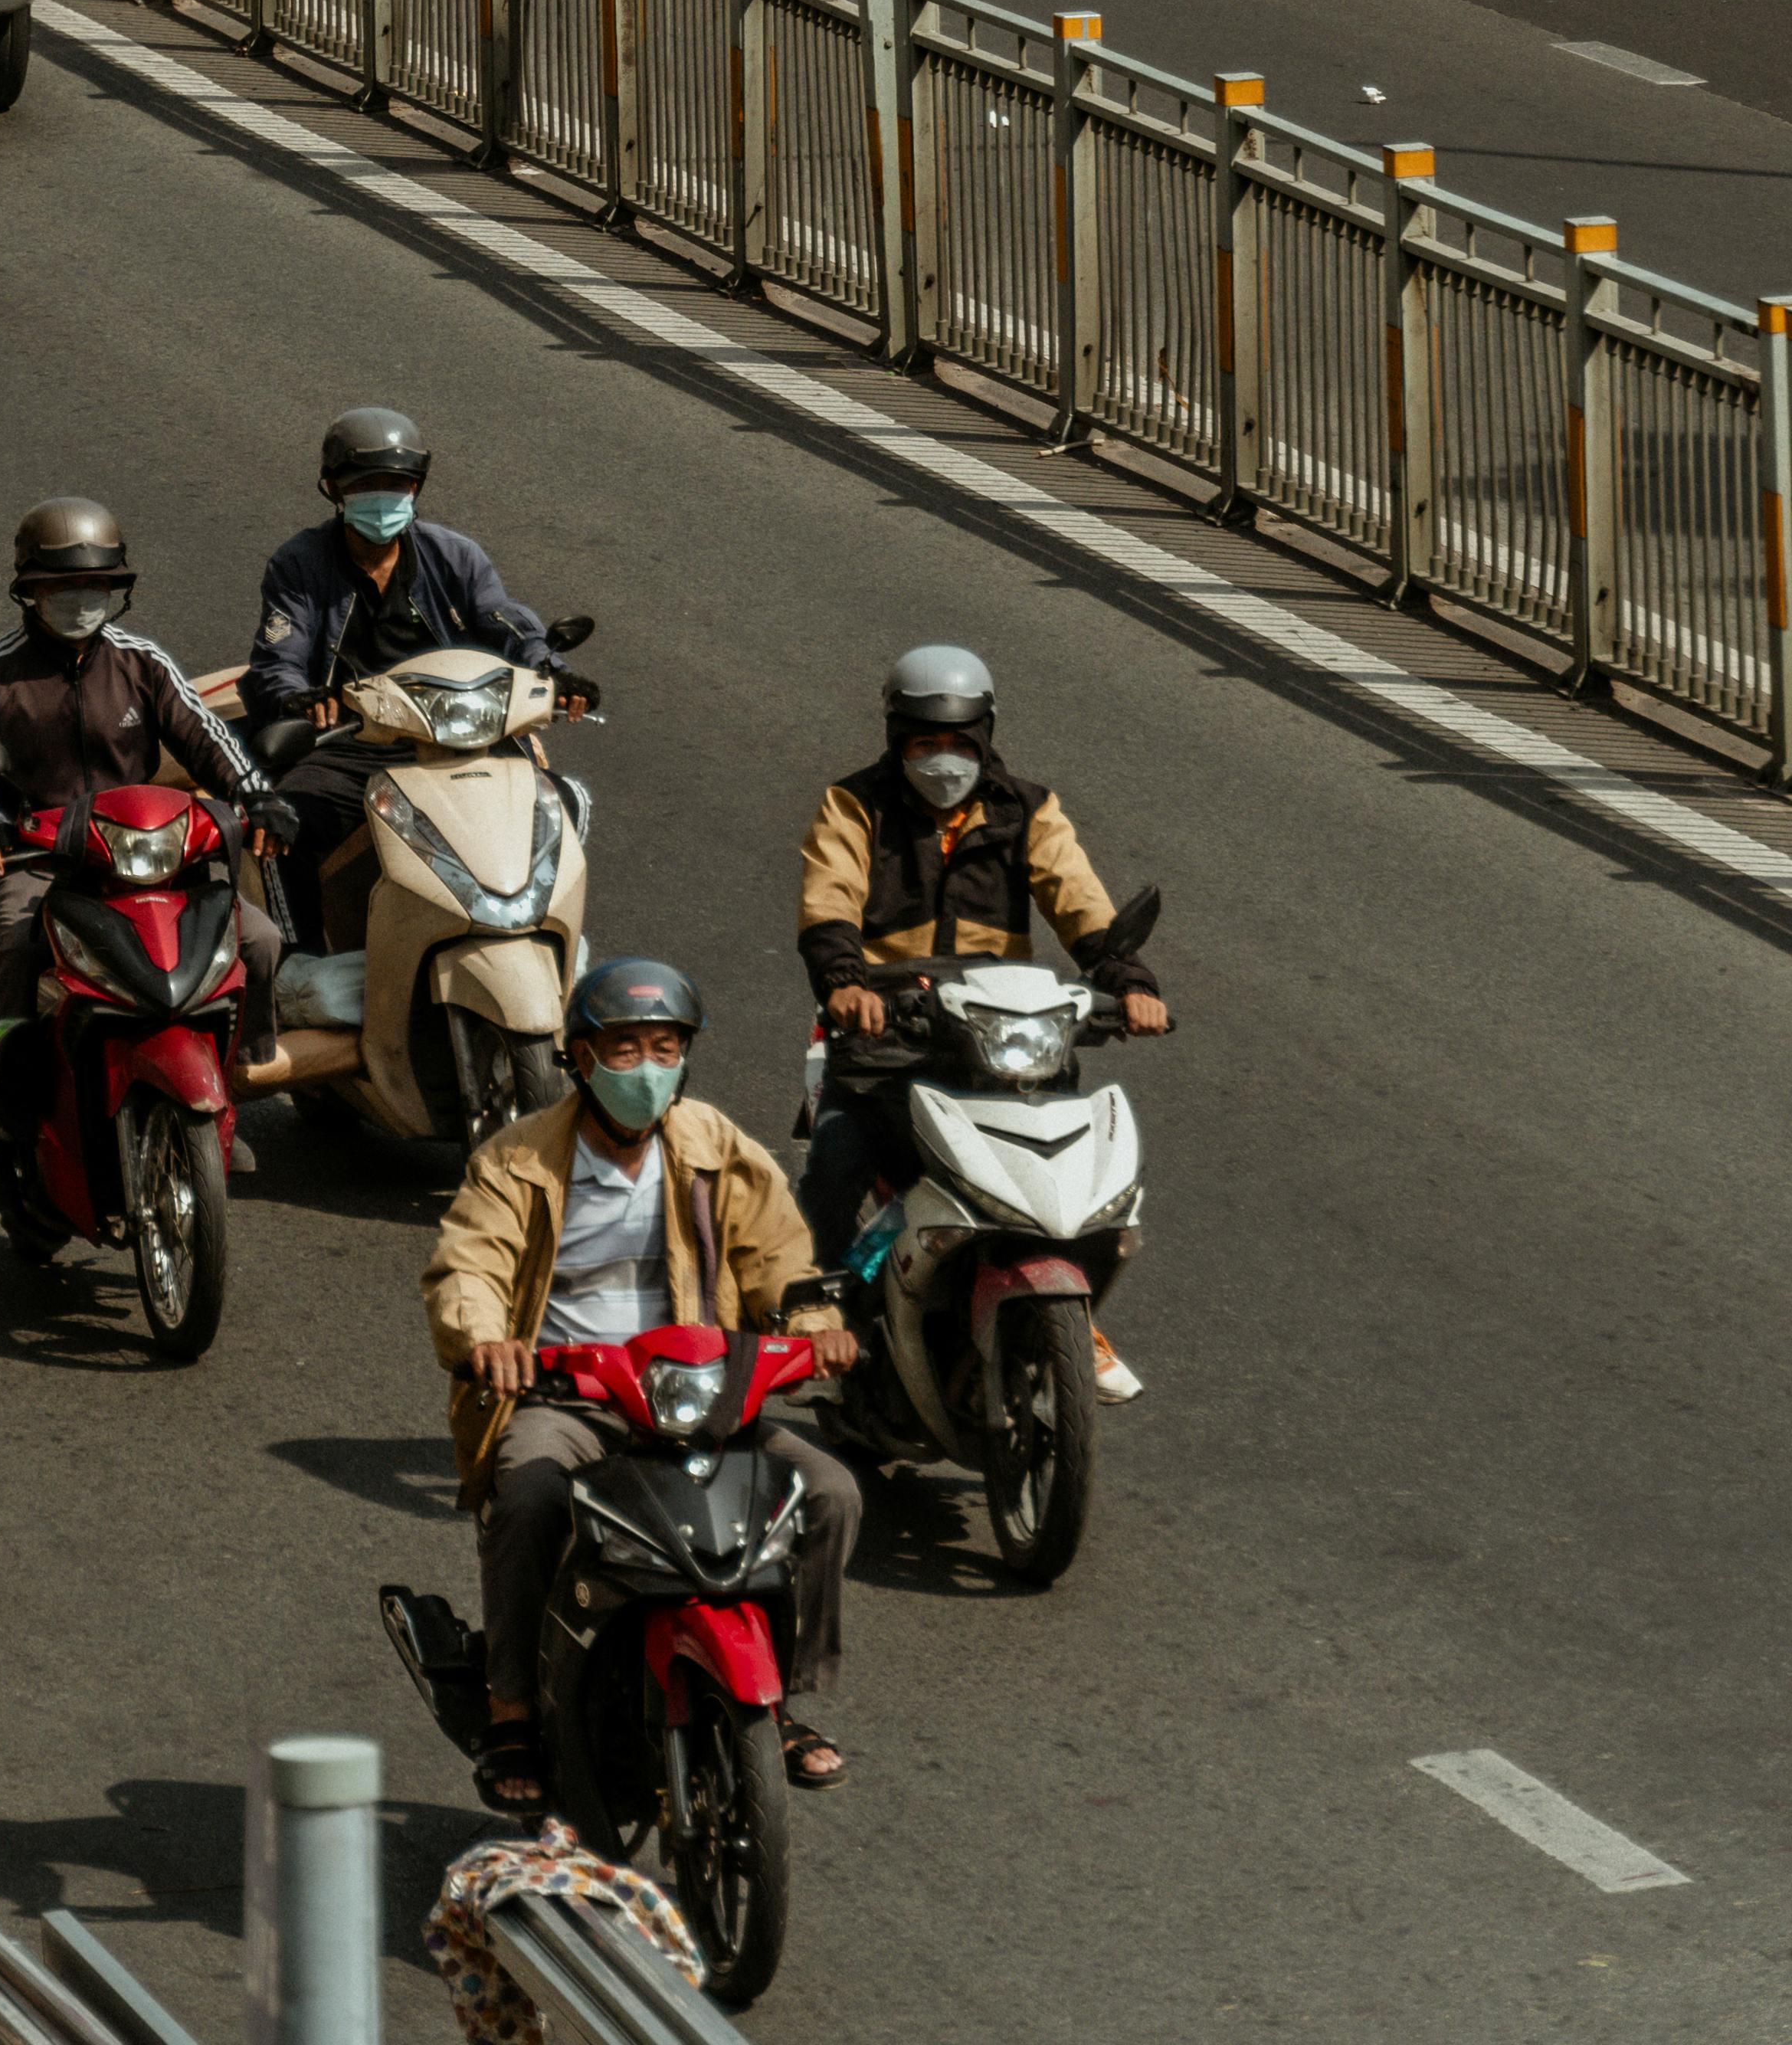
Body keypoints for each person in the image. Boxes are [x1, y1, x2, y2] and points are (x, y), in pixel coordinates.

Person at [423, 956, 864, 1815]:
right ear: (579, 1059)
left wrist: (814, 1332)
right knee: (527, 1494)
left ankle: (782, 1702)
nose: (646, 1068)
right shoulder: (513, 1161)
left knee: (831, 1493)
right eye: (623, 1050)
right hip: (571, 1401)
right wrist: (486, 1342)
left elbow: (777, 1258)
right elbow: (467, 1264)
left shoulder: (715, 1147)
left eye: (665, 1048)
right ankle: (510, 1707)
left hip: (701, 1393)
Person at [0, 498, 283, 1187]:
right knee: (15, 941)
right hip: (38, 860)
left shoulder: (142, 662)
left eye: (96, 586)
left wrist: (258, 795)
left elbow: (207, 738)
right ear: (29, 589)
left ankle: (233, 1086)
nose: (81, 600)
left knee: (259, 941)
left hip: (147, 854)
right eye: (64, 587)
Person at [795, 641, 1169, 1264]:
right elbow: (829, 897)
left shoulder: (1028, 810)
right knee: (835, 1170)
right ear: (898, 740)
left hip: (1003, 1035)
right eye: (925, 745)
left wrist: (1128, 982)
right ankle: (821, 1314)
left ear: (985, 738)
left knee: (1077, 1180)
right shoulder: (855, 806)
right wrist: (845, 982)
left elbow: (1080, 900)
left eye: (961, 745)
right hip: (889, 1035)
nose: (945, 760)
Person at [243, 407, 562, 954]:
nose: (383, 496)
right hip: (351, 744)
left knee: (560, 808)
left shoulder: (454, 556)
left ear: (417, 487)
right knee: (281, 824)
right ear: (334, 489)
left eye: (396, 483)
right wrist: (298, 697)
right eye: (366, 483)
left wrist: (550, 666)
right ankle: (297, 963)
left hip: (460, 739)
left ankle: (550, 938)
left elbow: (505, 620)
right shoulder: (299, 564)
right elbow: (279, 660)